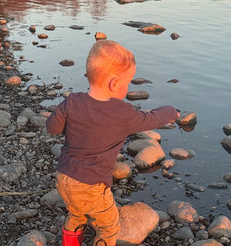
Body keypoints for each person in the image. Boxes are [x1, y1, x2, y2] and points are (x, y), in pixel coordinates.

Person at [46, 40, 179, 246]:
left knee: (77, 215)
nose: (127, 88)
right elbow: (150, 119)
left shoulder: (72, 101)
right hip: (91, 185)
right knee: (109, 226)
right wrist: (170, 112)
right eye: (127, 82)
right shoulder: (122, 113)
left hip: (64, 178)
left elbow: (53, 128)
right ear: (114, 84)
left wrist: (62, 115)